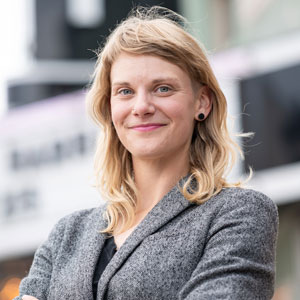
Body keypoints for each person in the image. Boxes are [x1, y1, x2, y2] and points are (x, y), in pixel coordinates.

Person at [16, 6, 278, 300]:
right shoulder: (66, 235)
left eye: (163, 88)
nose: (141, 106)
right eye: (125, 91)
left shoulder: (238, 214)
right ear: (110, 107)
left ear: (202, 102)